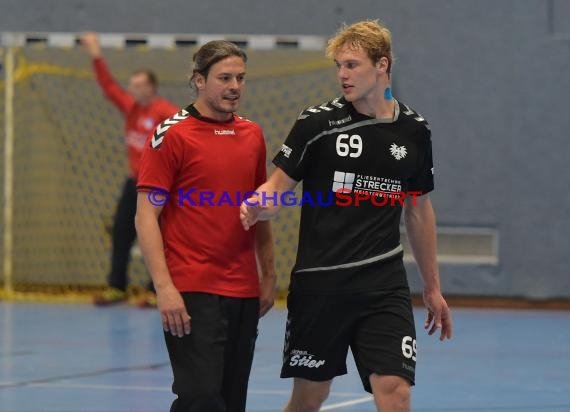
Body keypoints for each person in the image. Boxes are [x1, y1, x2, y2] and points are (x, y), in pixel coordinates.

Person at [240, 20, 453, 412]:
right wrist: (258, 204)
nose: (342, 74)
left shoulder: (415, 131)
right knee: (309, 398)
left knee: (396, 389)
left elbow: (419, 211)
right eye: (339, 65)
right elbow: (275, 190)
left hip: (382, 284)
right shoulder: (316, 125)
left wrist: (432, 286)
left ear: (382, 65)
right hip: (321, 284)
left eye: (352, 65)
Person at [135, 40, 276, 412]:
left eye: (240, 78)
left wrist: (269, 274)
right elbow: (145, 216)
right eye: (224, 78)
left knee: (231, 401)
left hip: (243, 290)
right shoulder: (172, 134)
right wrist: (164, 288)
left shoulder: (252, 134)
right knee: (199, 396)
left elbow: (259, 209)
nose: (234, 86)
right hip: (191, 287)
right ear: (199, 80)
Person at [81, 32, 179, 307]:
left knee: (159, 237)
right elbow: (109, 87)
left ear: (151, 87)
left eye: (138, 85)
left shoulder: (167, 113)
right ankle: (117, 287)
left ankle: (155, 289)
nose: (132, 89)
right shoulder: (132, 108)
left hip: (160, 186)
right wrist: (95, 53)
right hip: (134, 183)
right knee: (122, 233)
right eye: (131, 85)